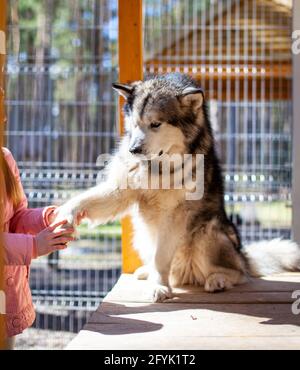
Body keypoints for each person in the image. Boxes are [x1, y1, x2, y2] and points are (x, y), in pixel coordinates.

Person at [1, 147, 80, 350]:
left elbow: (17, 216)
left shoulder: (5, 157)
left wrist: (50, 218)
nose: (4, 119)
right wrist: (34, 246)